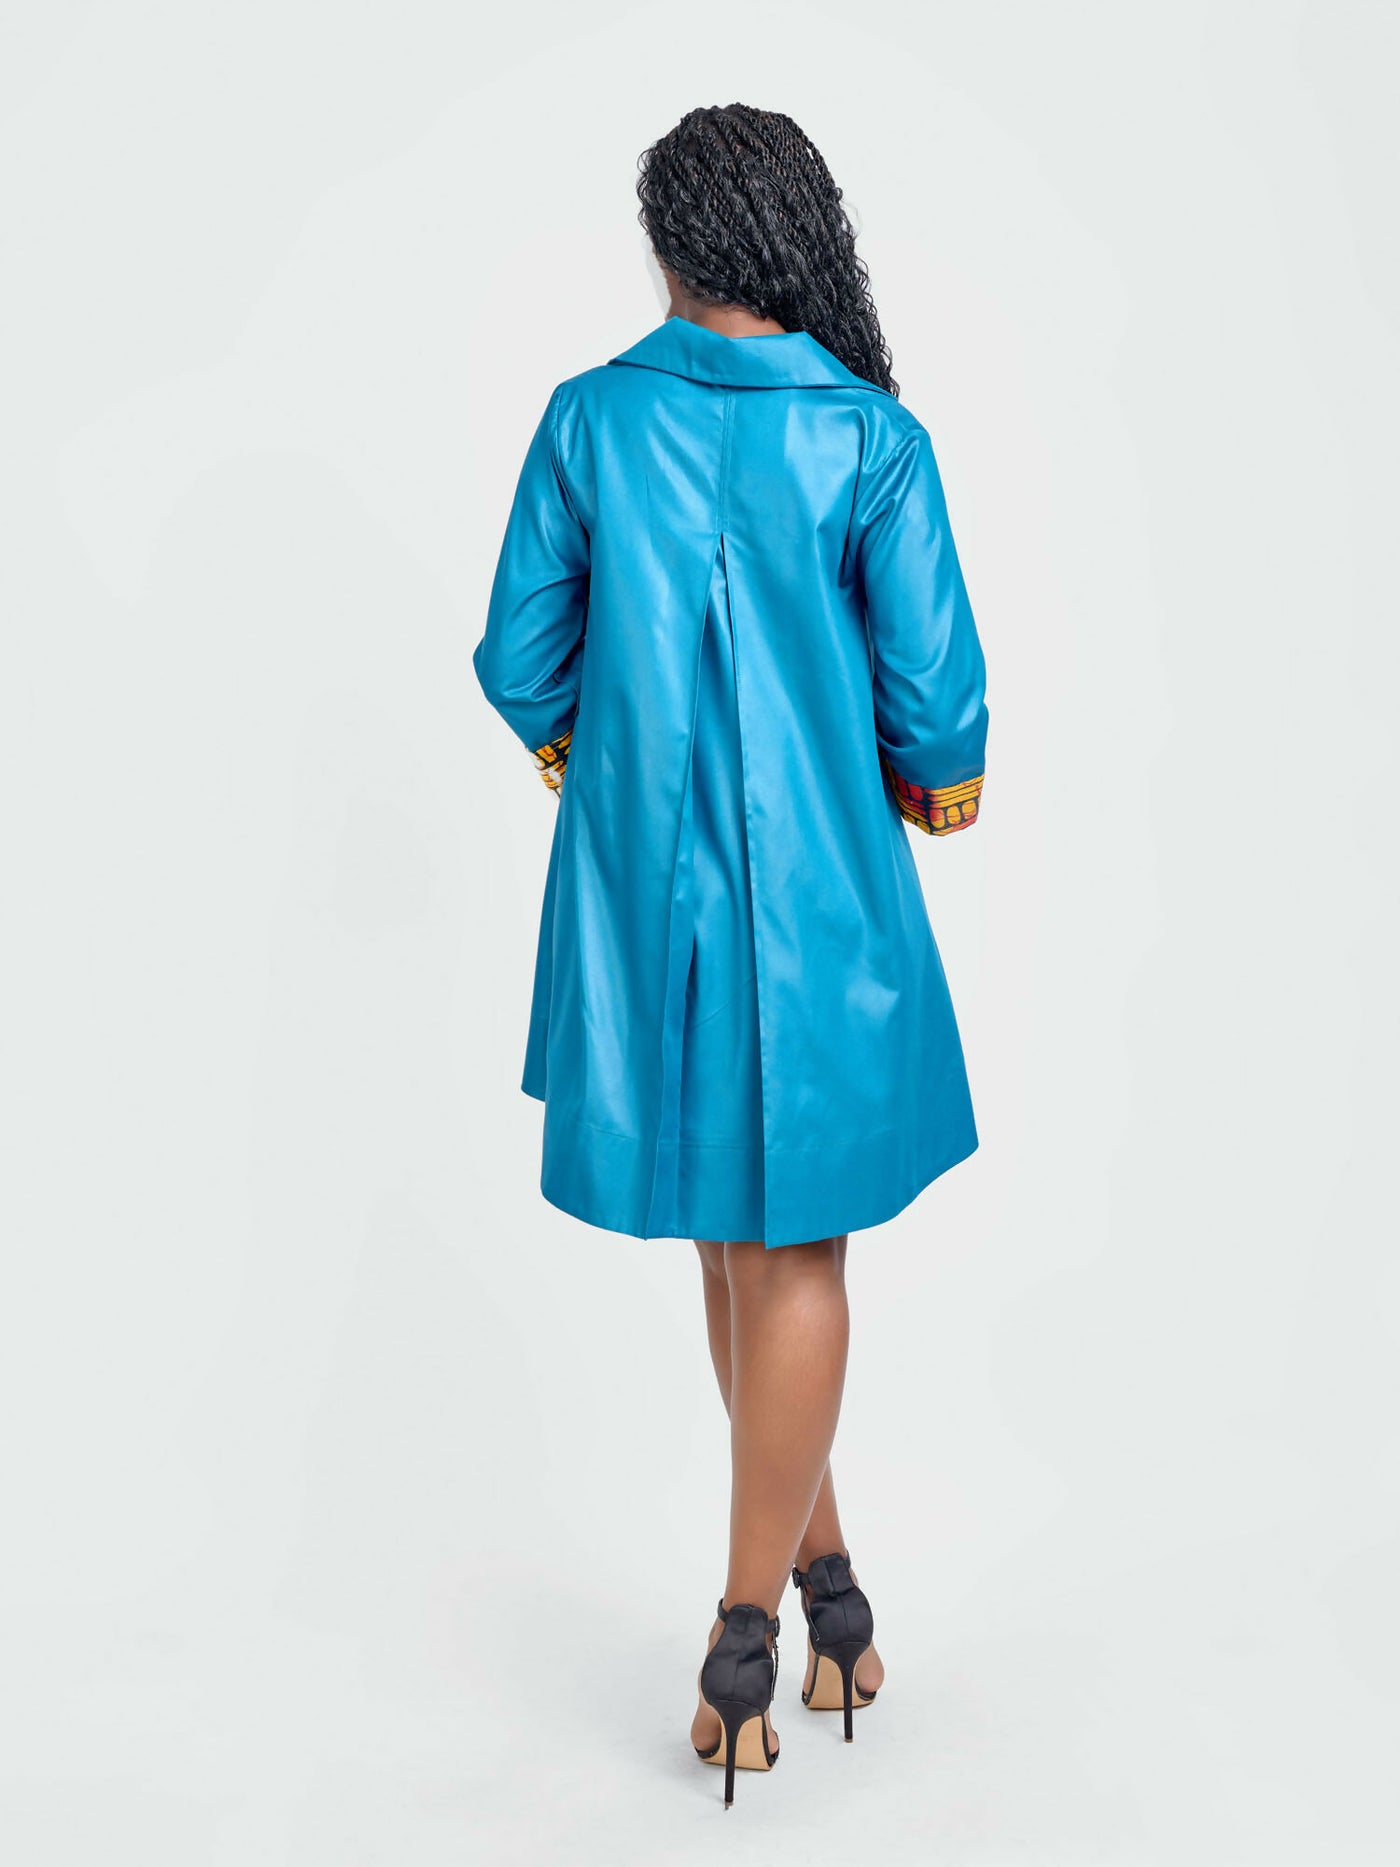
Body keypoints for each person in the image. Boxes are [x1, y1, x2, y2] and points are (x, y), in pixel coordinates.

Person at [472, 102, 990, 1807]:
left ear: (672, 247)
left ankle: (821, 1599)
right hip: (819, 905)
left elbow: (519, 658)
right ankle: (749, 1639)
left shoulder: (589, 418)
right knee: (790, 1252)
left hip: (641, 900)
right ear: (796, 233)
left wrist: (595, 754)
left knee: (734, 1253)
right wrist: (928, 784)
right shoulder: (869, 438)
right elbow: (939, 708)